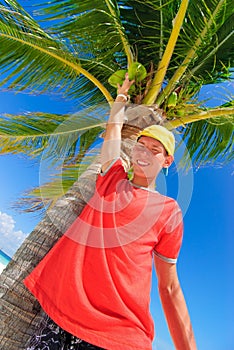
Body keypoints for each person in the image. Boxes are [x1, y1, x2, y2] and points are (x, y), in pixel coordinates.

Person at [24, 74, 197, 350]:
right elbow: (114, 131)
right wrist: (120, 99)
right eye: (141, 145)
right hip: (62, 317)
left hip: (117, 334)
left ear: (167, 161)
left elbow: (169, 287)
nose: (144, 152)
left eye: (154, 150)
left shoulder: (169, 211)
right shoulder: (112, 178)